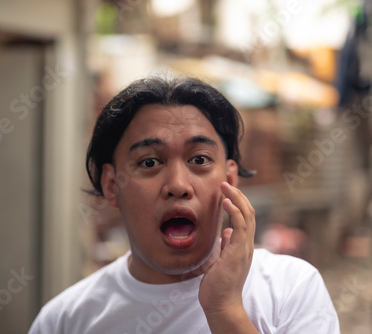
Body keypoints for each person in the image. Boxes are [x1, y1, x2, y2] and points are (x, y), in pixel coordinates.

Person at [28, 76, 340, 334]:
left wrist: (225, 309)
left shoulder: (290, 289)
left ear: (230, 179)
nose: (178, 185)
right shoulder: (64, 321)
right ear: (112, 186)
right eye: (149, 162)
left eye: (200, 160)